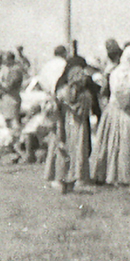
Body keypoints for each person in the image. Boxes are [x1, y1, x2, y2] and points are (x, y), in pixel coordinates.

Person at [89, 43, 130, 186]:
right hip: (128, 112)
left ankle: (106, 174)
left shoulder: (114, 72)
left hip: (112, 111)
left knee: (110, 143)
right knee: (127, 145)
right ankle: (125, 177)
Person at [45, 54, 99, 193]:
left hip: (63, 122)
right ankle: (78, 176)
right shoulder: (86, 93)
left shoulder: (62, 87)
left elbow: (55, 105)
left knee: (61, 151)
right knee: (79, 149)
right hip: (80, 124)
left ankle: (58, 177)